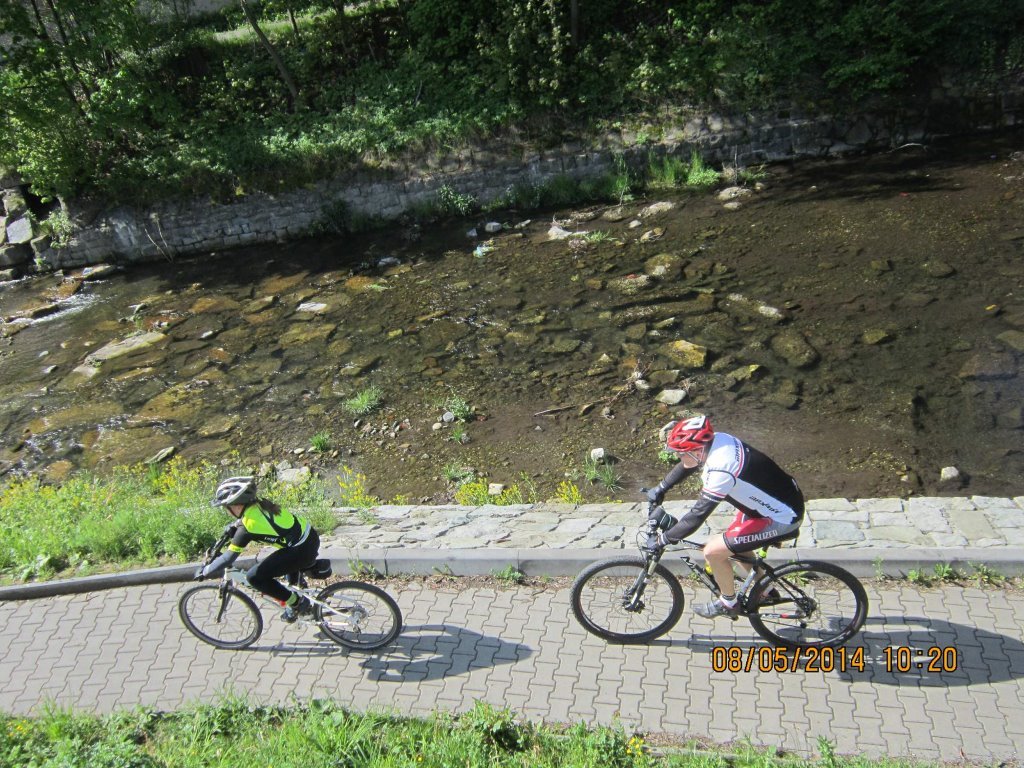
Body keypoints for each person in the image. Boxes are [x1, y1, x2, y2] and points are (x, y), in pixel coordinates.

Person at [645, 415, 804, 619]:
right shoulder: (718, 440)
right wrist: (661, 487)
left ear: (697, 450)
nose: (677, 457)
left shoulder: (721, 470)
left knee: (713, 552)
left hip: (782, 518)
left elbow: (697, 516)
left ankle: (728, 603)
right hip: (775, 503)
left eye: (680, 453)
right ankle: (766, 590)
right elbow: (689, 463)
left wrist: (663, 540)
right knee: (737, 545)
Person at [196, 476, 321, 622]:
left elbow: (228, 558)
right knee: (284, 569)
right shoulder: (259, 504)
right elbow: (249, 522)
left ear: (237, 505)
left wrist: (205, 571)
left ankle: (297, 603)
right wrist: (234, 526)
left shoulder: (248, 526)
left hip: (301, 550)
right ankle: (299, 591)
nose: (227, 511)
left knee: (254, 577)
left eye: (226, 507)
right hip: (308, 537)